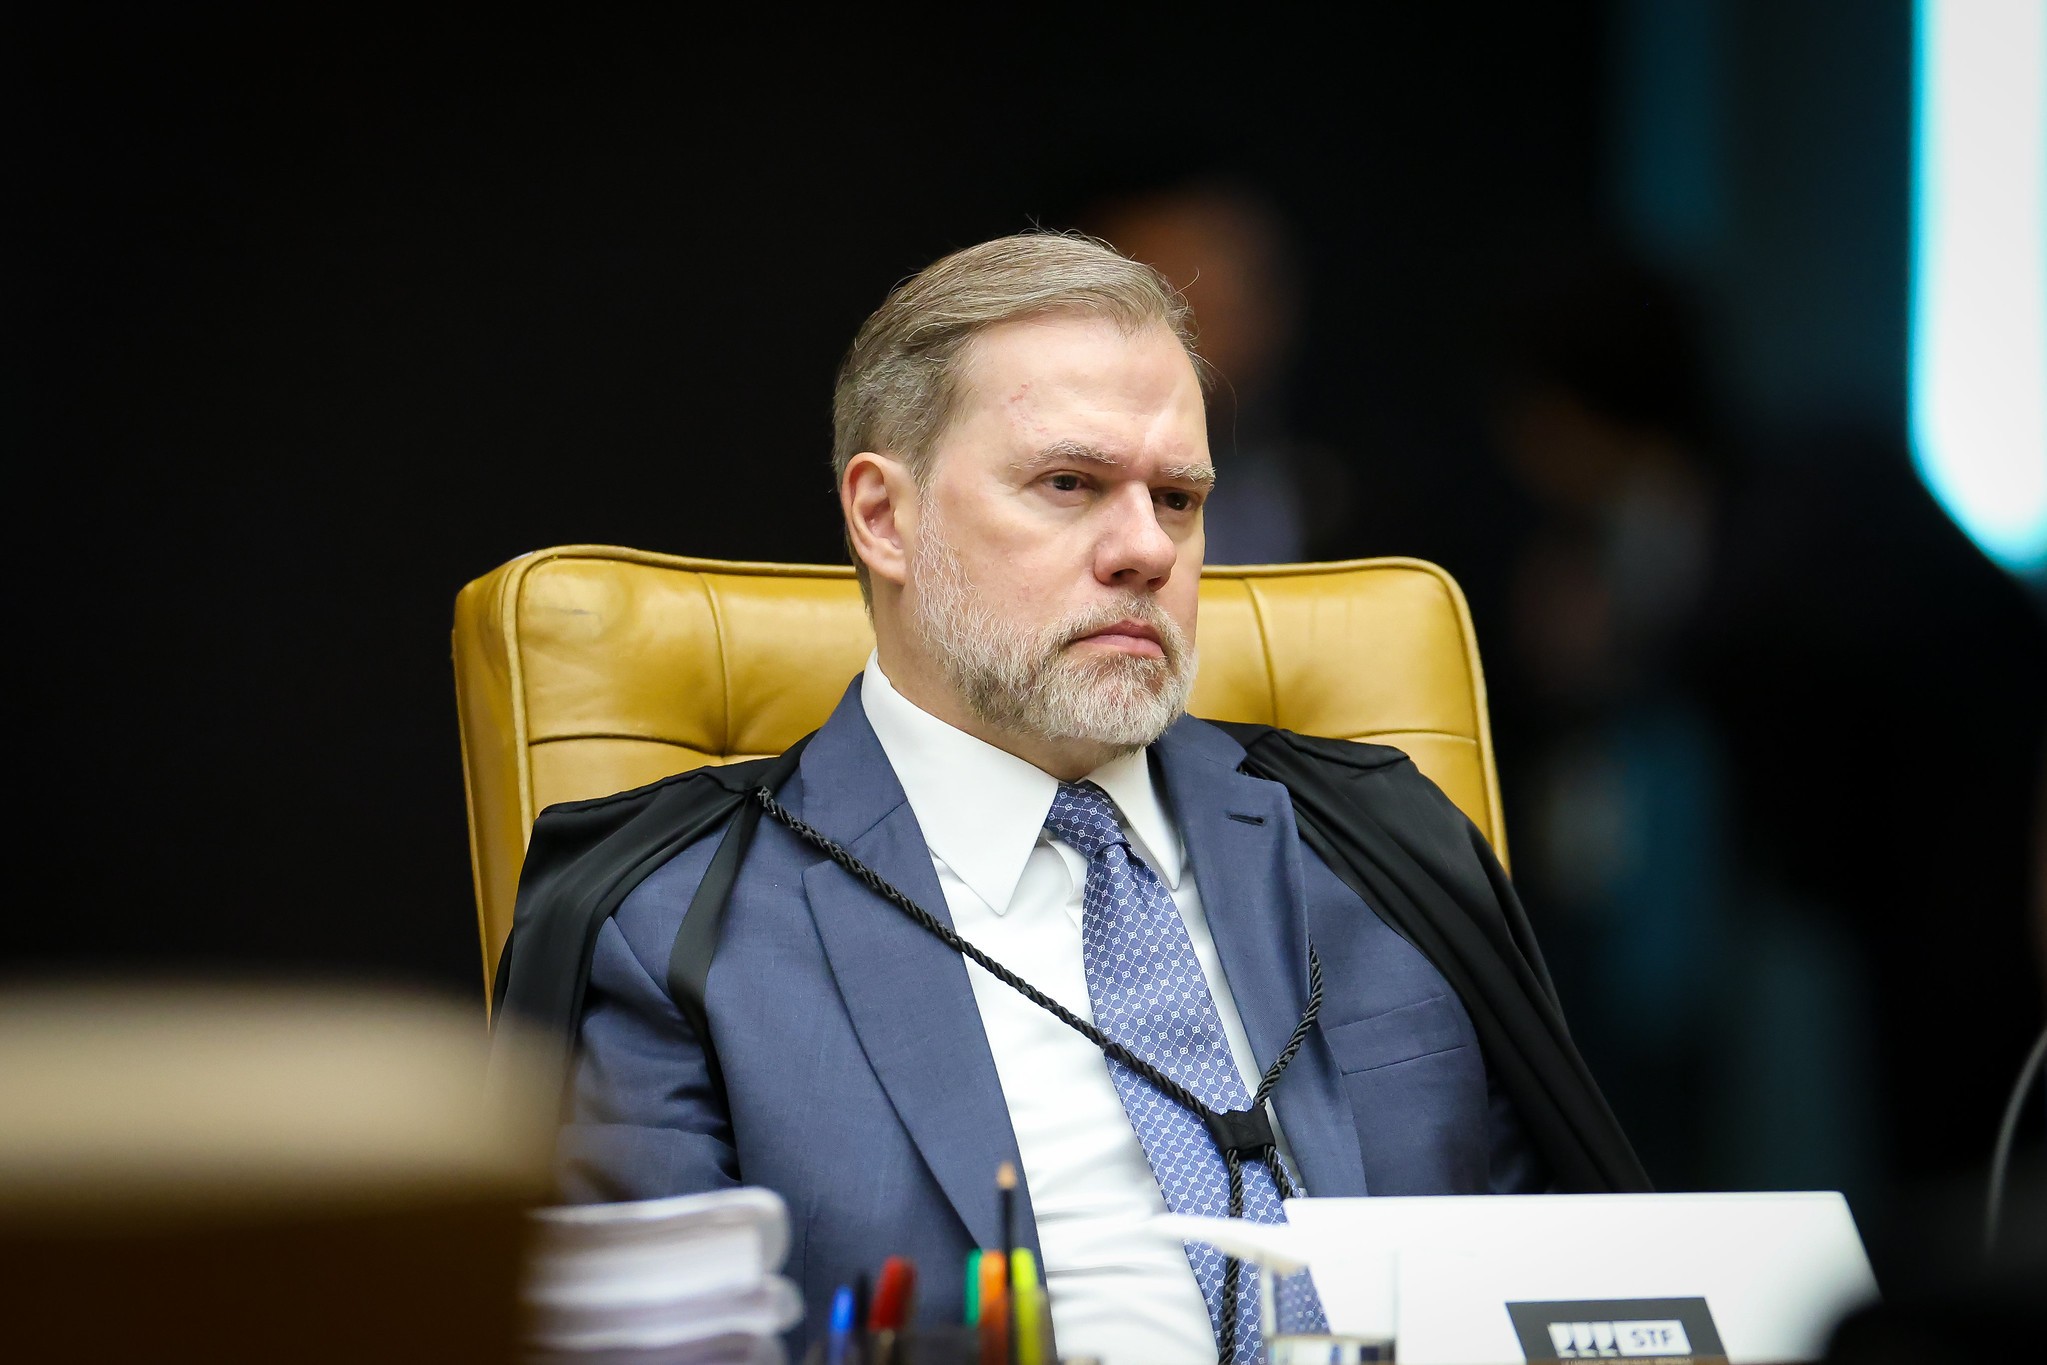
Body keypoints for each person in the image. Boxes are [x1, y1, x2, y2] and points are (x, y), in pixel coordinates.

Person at [499, 233, 1644, 1365]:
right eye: (1069, 484)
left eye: (1179, 498)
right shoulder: (670, 924)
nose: (1147, 550)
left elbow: (1562, 1296)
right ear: (883, 518)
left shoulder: (1379, 849)